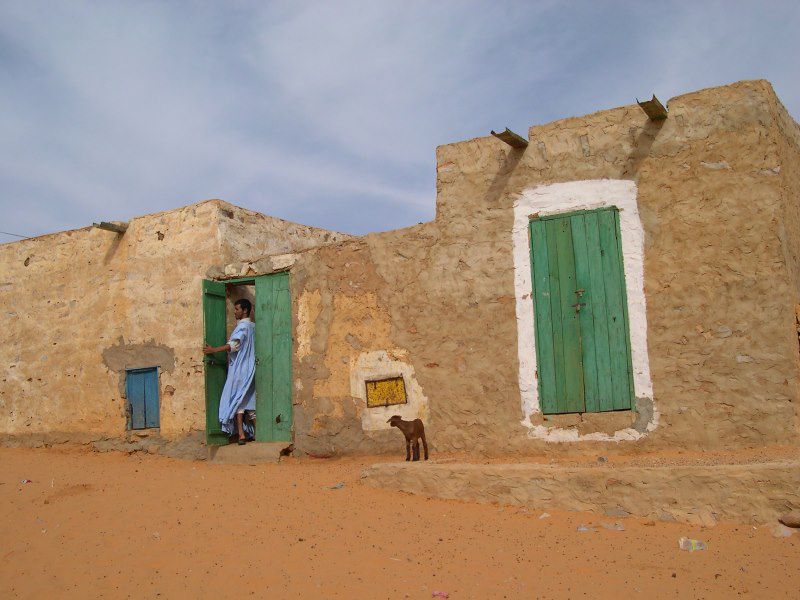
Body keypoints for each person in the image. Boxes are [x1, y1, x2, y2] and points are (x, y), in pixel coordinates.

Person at [203, 298, 256, 444]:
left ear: (245, 310)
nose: (234, 312)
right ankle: (256, 433)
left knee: (237, 400)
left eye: (237, 309)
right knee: (249, 400)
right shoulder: (254, 326)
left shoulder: (243, 327)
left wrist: (213, 350)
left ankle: (241, 435)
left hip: (241, 368)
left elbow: (233, 345)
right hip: (251, 368)